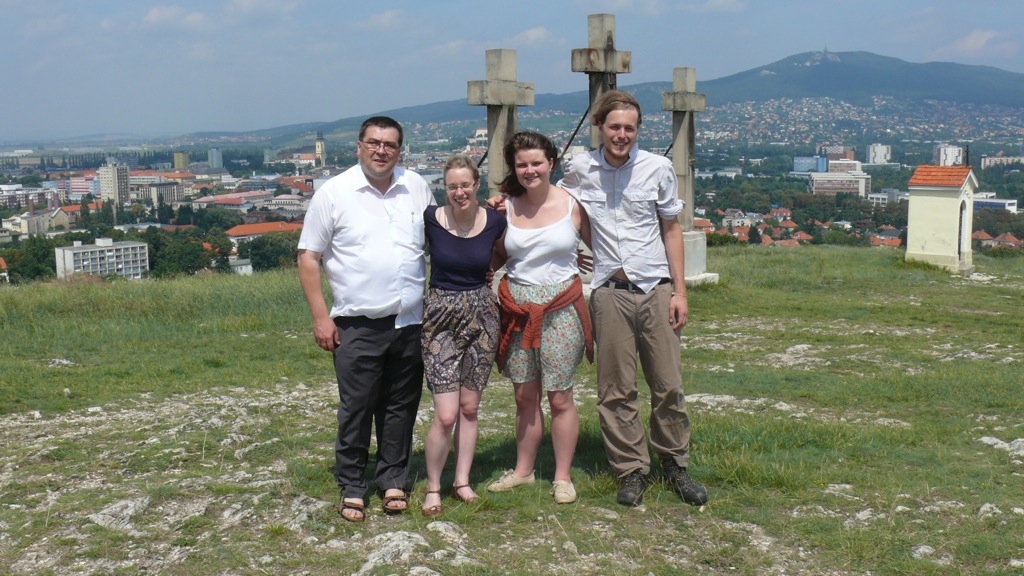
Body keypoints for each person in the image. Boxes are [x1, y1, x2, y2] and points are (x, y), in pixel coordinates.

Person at [558, 90, 708, 507]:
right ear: (600, 128)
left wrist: (680, 291)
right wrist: (505, 203)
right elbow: (553, 203)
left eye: (629, 127)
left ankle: (674, 464)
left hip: (656, 288)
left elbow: (671, 229)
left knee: (668, 384)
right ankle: (630, 470)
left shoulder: (657, 168)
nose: (621, 134)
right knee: (615, 388)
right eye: (614, 126)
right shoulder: (581, 168)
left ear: (638, 130)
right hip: (609, 291)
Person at [297, 116, 434, 523]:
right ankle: (352, 484)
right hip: (355, 323)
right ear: (359, 146)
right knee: (356, 408)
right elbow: (309, 257)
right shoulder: (334, 193)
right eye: (373, 143)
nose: (381, 150)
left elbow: (441, 234)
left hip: (409, 320)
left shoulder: (416, 186)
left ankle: (393, 479)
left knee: (400, 406)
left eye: (390, 144)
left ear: (399, 150)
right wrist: (321, 318)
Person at [487, 131, 593, 504]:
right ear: (514, 169)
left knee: (560, 396)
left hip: (562, 306)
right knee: (524, 396)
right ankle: (523, 471)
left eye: (536, 163)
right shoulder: (505, 209)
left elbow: (601, 247)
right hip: (518, 307)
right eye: (522, 165)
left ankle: (562, 476)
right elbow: (497, 256)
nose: (530, 170)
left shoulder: (573, 205)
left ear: (551, 163)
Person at [420, 155, 506, 518]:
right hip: (439, 317)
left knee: (470, 408)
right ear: (445, 187)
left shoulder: (495, 220)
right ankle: (433, 486)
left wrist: (490, 272)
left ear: (477, 185)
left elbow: (503, 253)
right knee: (445, 413)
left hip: (482, 316)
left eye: (465, 185)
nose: (459, 192)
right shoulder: (430, 219)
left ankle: (462, 481)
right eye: (452, 186)